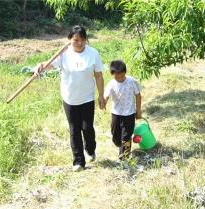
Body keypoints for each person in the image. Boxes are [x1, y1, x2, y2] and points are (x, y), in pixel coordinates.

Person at [34, 25, 105, 172]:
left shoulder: (93, 53)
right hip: (69, 98)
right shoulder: (63, 54)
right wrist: (39, 66)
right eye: (76, 40)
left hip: (87, 98)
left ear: (86, 39)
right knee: (74, 130)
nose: (79, 43)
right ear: (70, 40)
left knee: (87, 128)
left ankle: (90, 149)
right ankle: (78, 161)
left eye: (82, 40)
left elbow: (98, 75)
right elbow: (47, 65)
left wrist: (101, 96)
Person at [103, 60, 142, 160]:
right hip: (116, 113)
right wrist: (103, 103)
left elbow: (138, 96)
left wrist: (138, 111)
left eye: (122, 76)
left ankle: (124, 158)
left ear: (125, 72)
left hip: (129, 113)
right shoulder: (111, 84)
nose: (120, 78)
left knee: (126, 136)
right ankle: (120, 146)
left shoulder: (131, 81)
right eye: (117, 76)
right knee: (115, 136)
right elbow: (106, 96)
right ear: (112, 74)